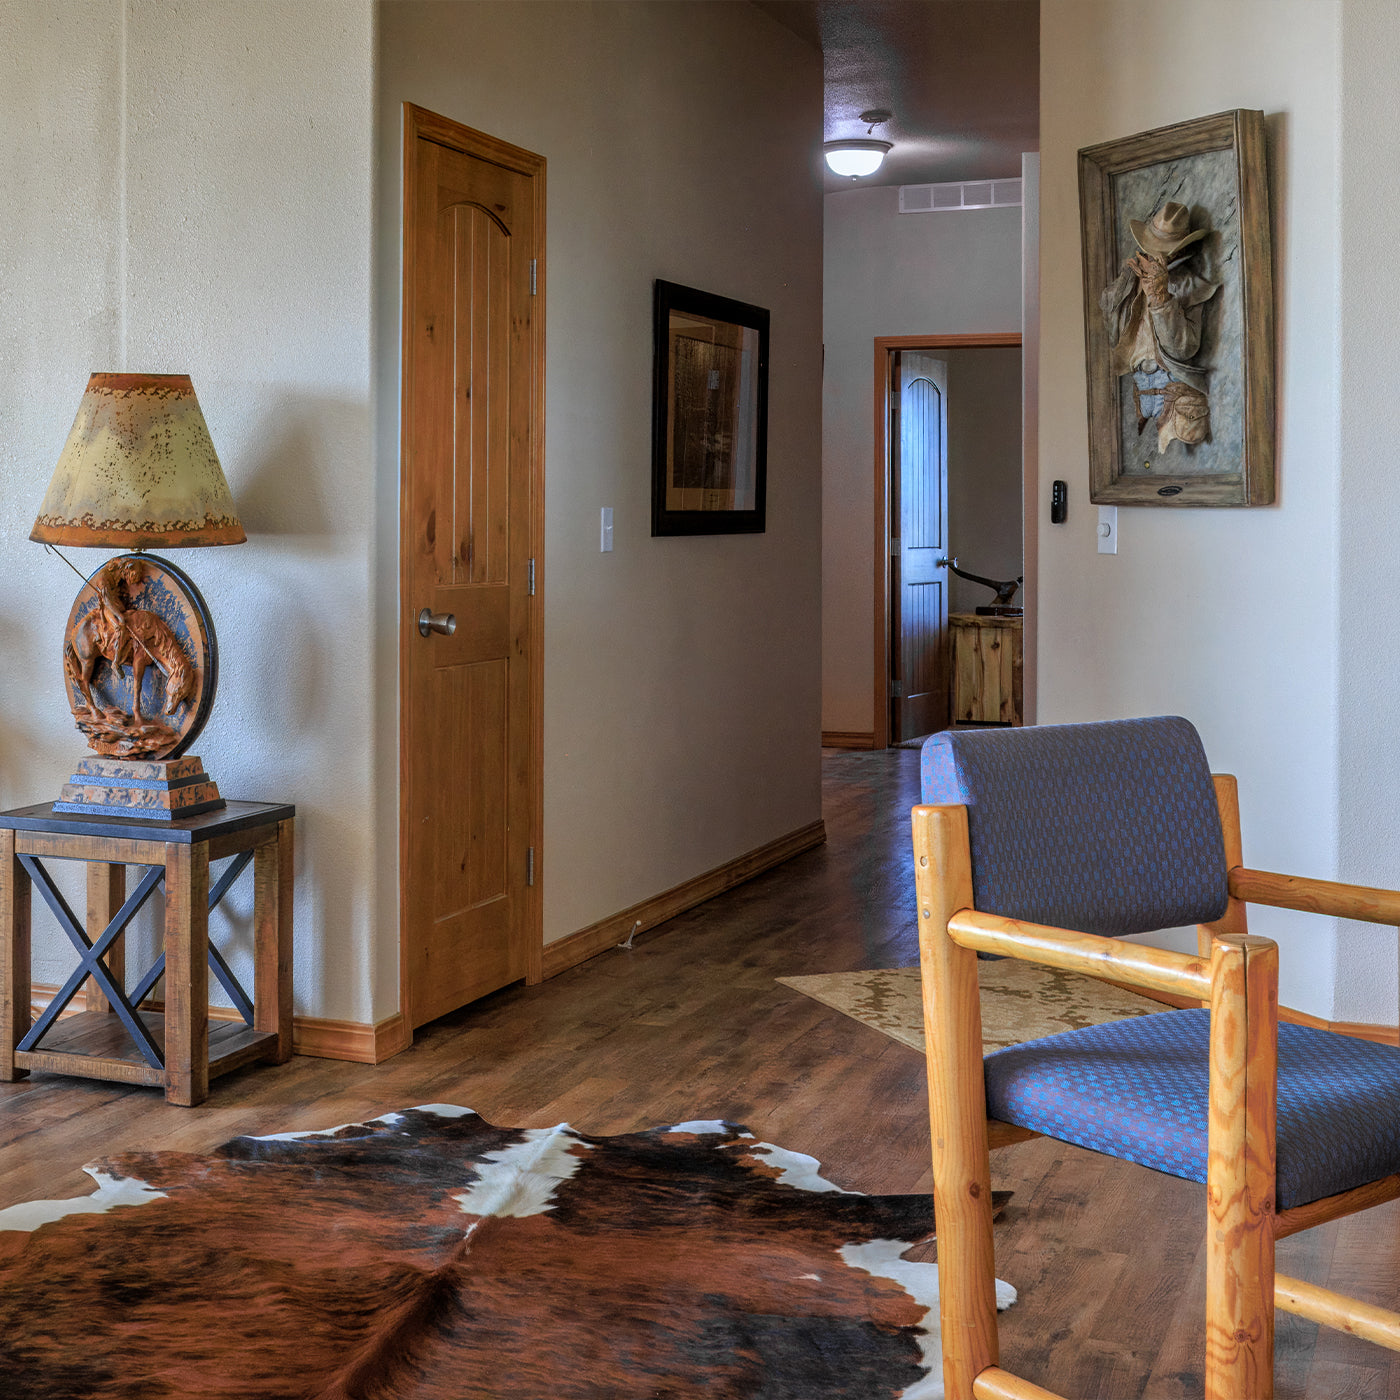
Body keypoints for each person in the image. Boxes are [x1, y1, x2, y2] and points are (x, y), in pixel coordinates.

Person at [1100, 201, 1220, 452]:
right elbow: (1109, 317)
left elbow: (1183, 348)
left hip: (1175, 391)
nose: (1153, 253)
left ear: (1177, 251)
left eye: (1162, 249)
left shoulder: (1189, 286)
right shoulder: (1133, 277)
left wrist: (1160, 297)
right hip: (1140, 387)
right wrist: (1126, 282)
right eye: (1150, 246)